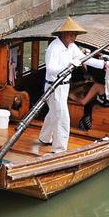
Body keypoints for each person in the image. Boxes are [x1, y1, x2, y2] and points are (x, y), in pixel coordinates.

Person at [38, 17, 87, 154]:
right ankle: (59, 150)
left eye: (75, 34)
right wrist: (69, 64)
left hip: (64, 86)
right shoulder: (54, 48)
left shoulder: (71, 46)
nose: (74, 37)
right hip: (54, 86)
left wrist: (104, 65)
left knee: (54, 112)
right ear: (64, 34)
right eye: (72, 34)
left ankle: (44, 137)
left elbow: (82, 59)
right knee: (62, 117)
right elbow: (51, 69)